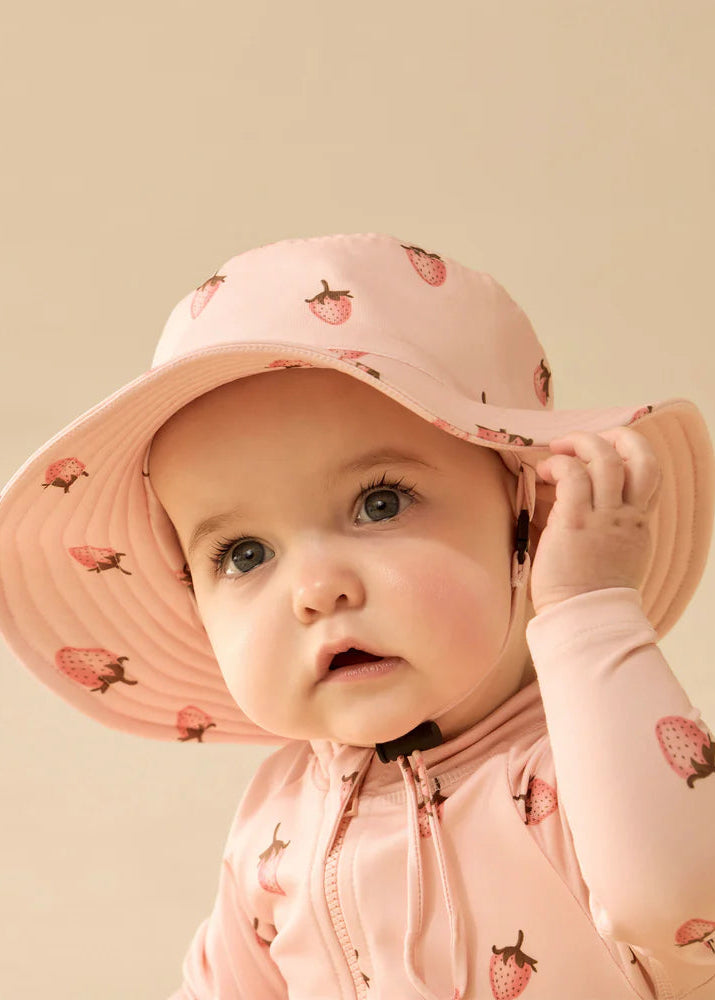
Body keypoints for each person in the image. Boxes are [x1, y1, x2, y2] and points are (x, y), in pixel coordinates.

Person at [1, 232, 714, 999]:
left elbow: (678, 905)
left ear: (527, 521)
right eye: (243, 554)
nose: (316, 588)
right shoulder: (278, 821)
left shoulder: (583, 766)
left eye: (380, 504)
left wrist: (589, 610)